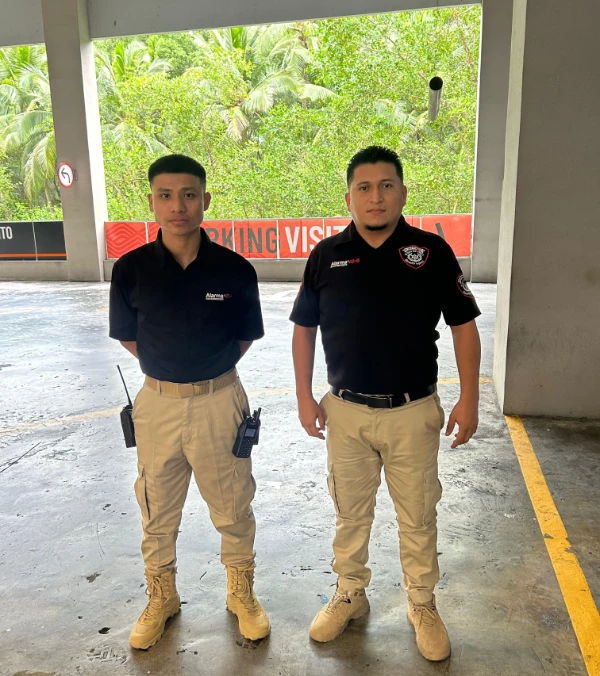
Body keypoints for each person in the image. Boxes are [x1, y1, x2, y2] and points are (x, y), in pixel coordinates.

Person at [290, 146, 481, 661]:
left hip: (411, 412)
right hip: (346, 412)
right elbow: (304, 329)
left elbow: (463, 326)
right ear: (348, 197)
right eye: (365, 187)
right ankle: (350, 593)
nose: (376, 197)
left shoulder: (431, 252)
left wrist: (469, 398)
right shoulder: (326, 255)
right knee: (350, 513)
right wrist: (304, 396)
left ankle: (421, 603)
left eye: (387, 186)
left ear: (403, 193)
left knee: (417, 515)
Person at [109, 154, 270, 649]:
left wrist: (206, 371)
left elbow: (245, 336)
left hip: (220, 400)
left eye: (188, 195)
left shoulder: (235, 270)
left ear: (205, 201)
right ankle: (162, 597)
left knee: (233, 503)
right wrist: (169, 372)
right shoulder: (130, 270)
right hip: (157, 404)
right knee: (155, 506)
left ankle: (240, 593)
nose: (177, 206)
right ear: (152, 202)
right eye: (166, 195)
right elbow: (128, 337)